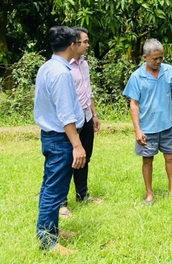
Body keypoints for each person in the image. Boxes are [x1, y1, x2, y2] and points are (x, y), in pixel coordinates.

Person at [34, 26, 86, 256]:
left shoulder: (48, 67)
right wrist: (77, 144)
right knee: (54, 190)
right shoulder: (62, 73)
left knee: (50, 186)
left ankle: (51, 228)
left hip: (50, 136)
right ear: (72, 45)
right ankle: (47, 241)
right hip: (61, 138)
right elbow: (66, 114)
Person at [124, 39, 172, 204]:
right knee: (147, 159)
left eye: (161, 58)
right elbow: (134, 104)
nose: (159, 61)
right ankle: (149, 194)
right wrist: (137, 129)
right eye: (155, 59)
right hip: (147, 127)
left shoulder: (168, 71)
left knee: (171, 156)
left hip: (166, 124)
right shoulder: (137, 77)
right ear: (145, 57)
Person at [59, 27, 102, 219]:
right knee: (68, 159)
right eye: (84, 41)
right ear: (73, 44)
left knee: (85, 157)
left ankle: (82, 195)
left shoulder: (84, 64)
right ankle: (61, 203)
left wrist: (94, 114)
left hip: (86, 117)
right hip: (71, 120)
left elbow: (88, 90)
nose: (87, 45)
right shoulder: (64, 67)